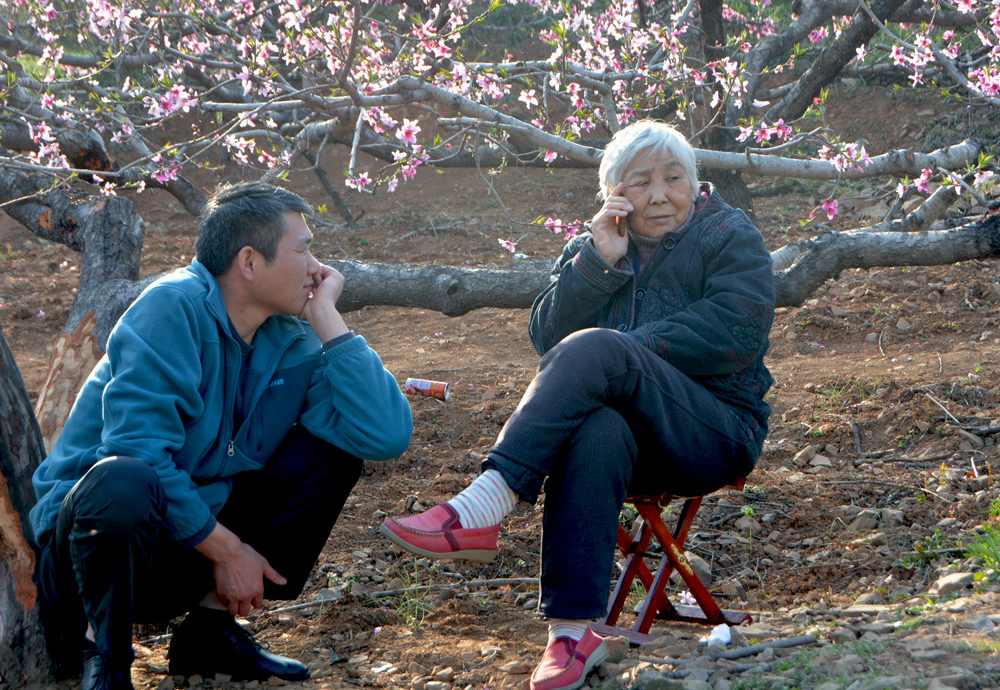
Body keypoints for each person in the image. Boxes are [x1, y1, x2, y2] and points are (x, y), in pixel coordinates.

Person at [380, 121, 774, 690]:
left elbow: (736, 331)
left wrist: (622, 351)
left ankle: (486, 503)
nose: (660, 195)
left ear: (694, 181)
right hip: (628, 447)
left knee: (602, 351)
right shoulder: (592, 247)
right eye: (641, 182)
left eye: (674, 178)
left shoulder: (729, 234)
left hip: (713, 430)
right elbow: (547, 339)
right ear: (614, 192)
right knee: (596, 430)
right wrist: (598, 263)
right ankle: (570, 636)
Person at [29, 182, 413, 690]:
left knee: (332, 454)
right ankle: (104, 658)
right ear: (249, 262)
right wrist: (229, 551)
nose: (318, 268)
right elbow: (136, 451)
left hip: (185, 549)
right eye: (303, 250)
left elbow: (385, 435)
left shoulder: (292, 337)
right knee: (126, 479)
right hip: (93, 558)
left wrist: (329, 321)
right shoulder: (171, 308)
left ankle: (209, 634)